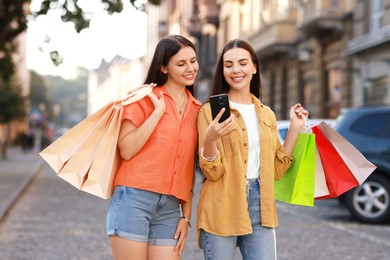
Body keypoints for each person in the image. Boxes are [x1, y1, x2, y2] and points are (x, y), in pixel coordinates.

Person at [196, 39, 309, 260]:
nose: (235, 70)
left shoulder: (266, 114)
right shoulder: (209, 112)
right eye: (228, 65)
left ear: (254, 67)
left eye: (243, 63)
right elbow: (211, 172)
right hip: (221, 206)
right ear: (223, 70)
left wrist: (295, 127)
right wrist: (210, 139)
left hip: (261, 207)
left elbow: (276, 171)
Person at [106, 35, 202, 260]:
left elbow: (188, 167)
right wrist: (157, 113)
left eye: (193, 61)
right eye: (181, 64)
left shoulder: (198, 109)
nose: (190, 68)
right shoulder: (142, 98)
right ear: (164, 67)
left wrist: (186, 217)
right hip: (133, 200)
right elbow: (127, 149)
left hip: (169, 208)